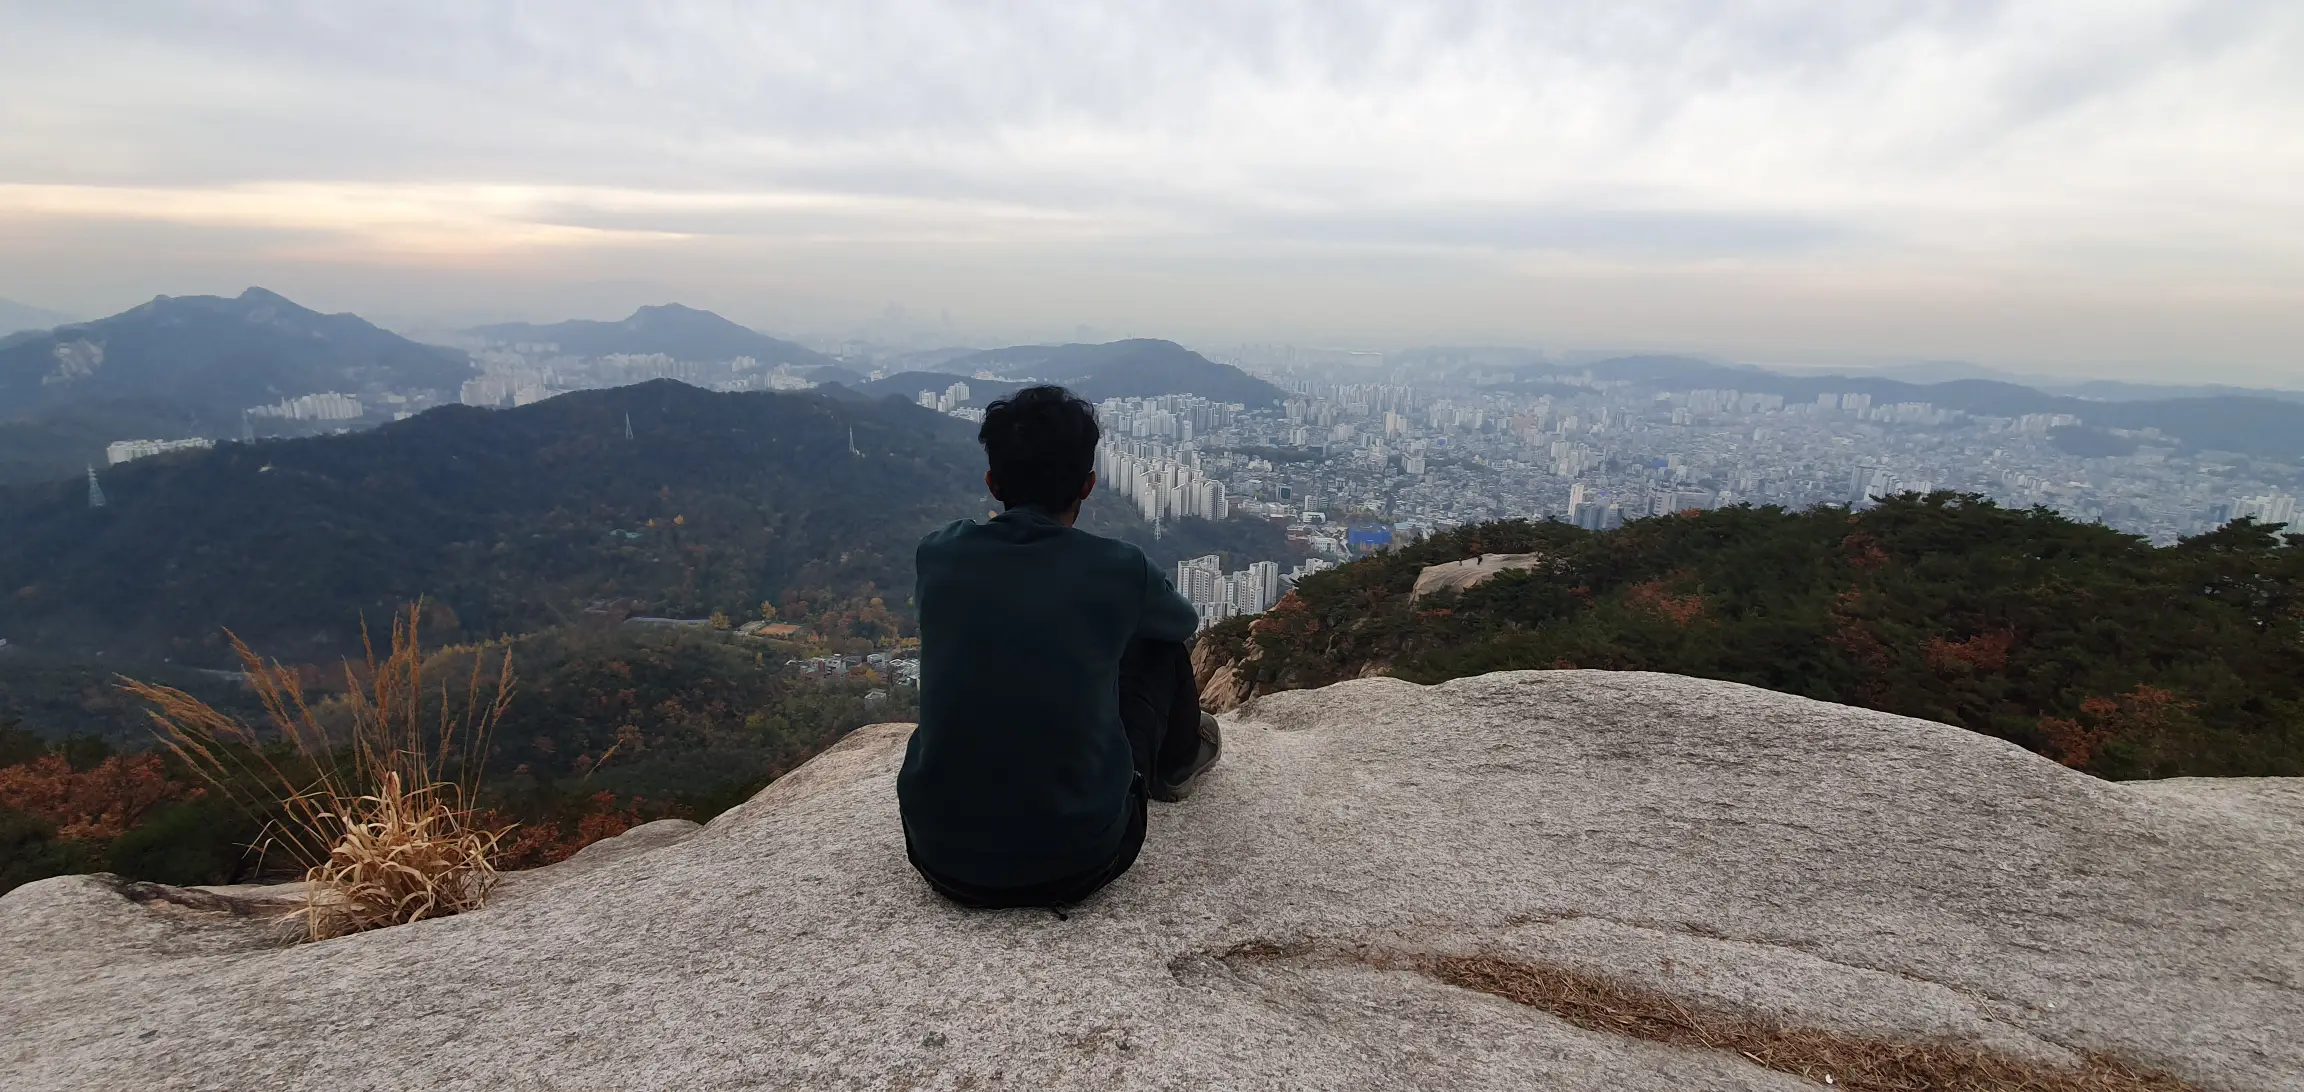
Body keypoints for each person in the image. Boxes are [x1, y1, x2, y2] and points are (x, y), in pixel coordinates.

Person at [899, 385, 1221, 909]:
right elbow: (1179, 622)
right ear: (1089, 484)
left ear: (992, 481)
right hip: (1081, 860)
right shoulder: (1119, 568)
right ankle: (1178, 766)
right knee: (1158, 648)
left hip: (938, 854)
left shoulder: (938, 554)